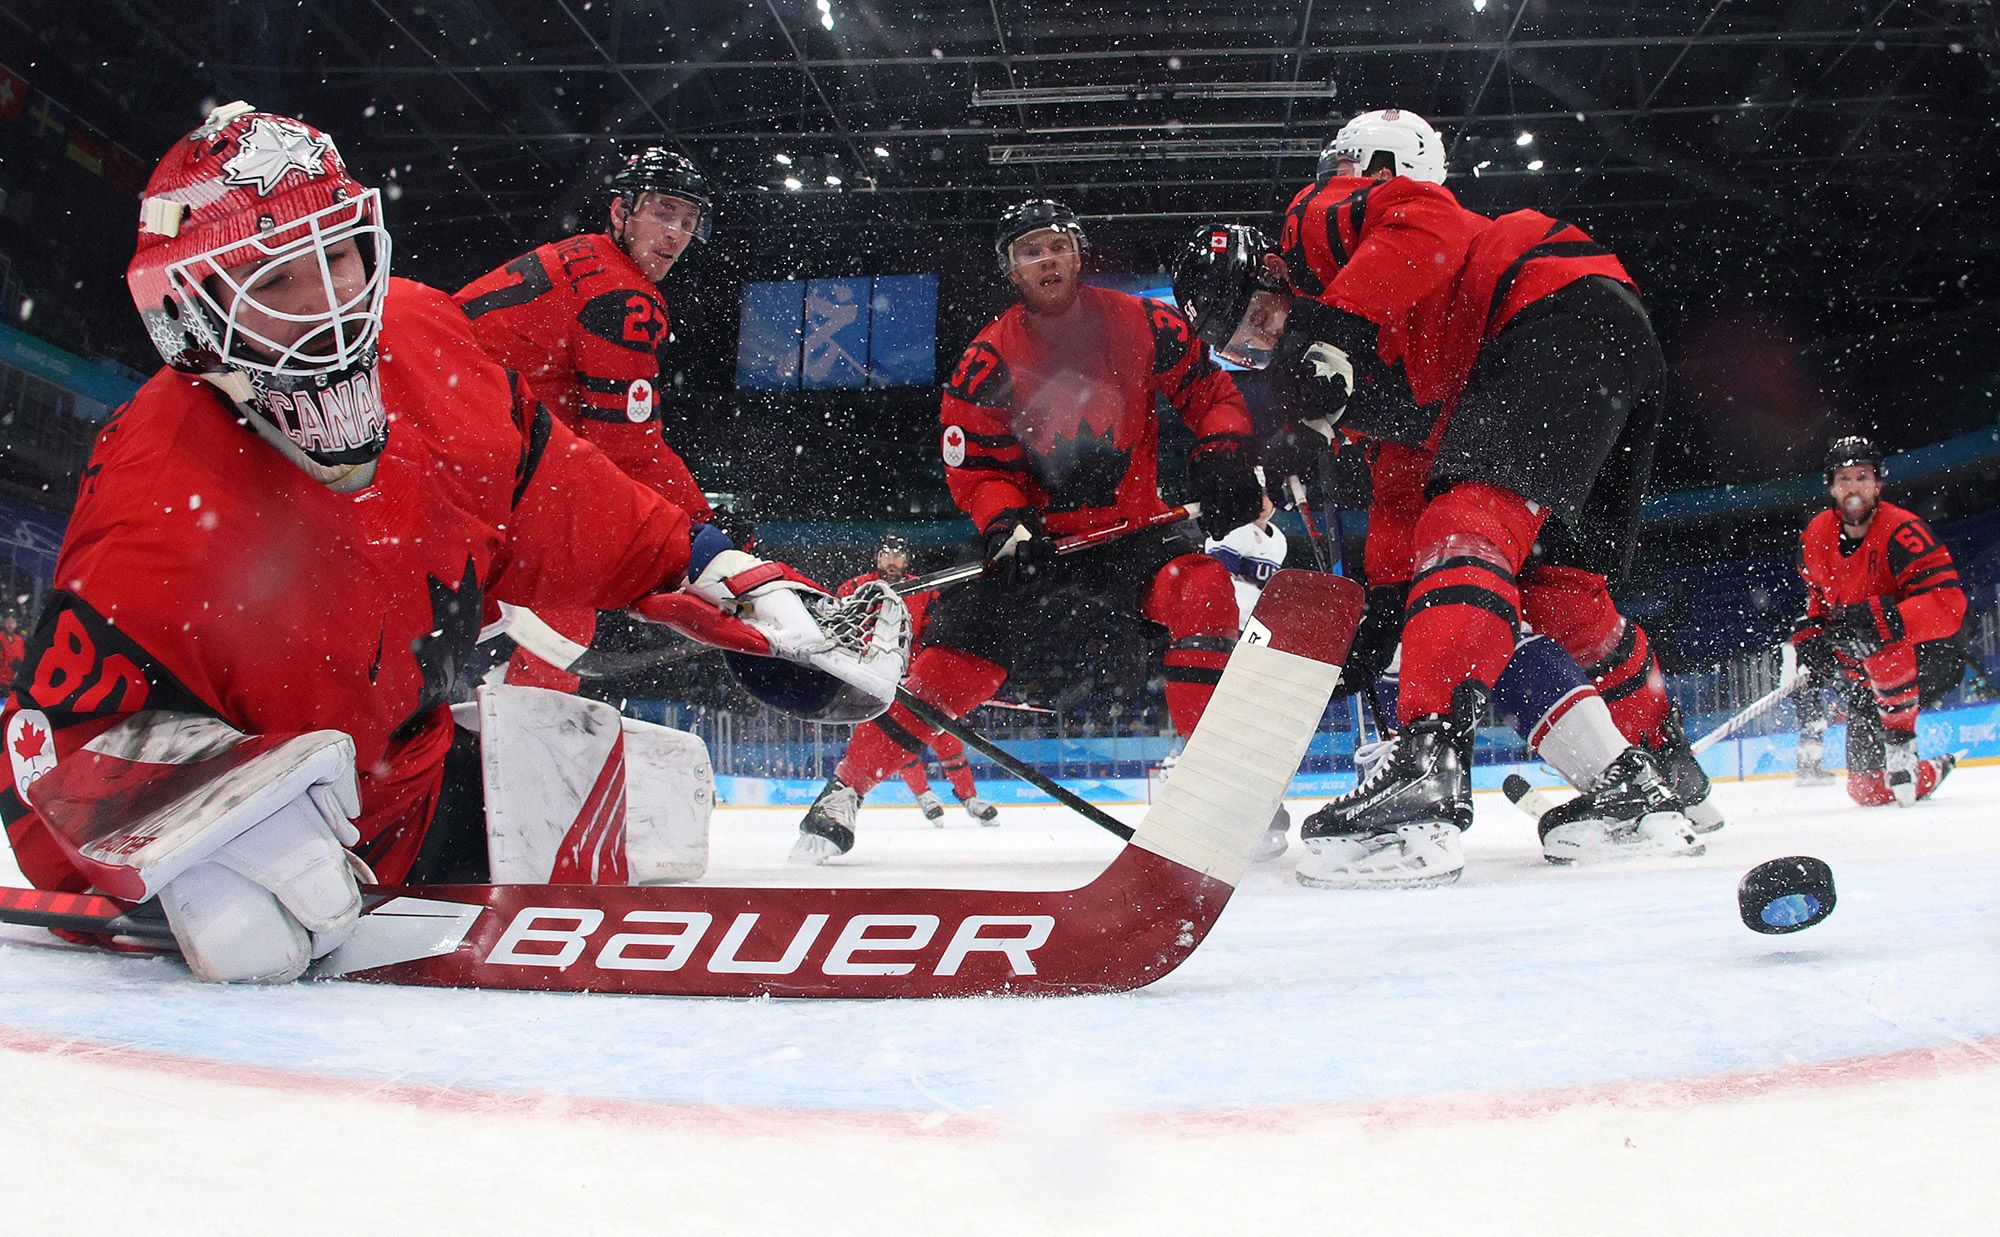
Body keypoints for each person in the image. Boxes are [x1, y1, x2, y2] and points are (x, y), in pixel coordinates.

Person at [0, 104, 877, 984]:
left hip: (401, 784)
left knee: (654, 803)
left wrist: (729, 575)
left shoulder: (420, 338)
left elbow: (568, 497)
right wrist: (188, 822)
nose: (330, 306)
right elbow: (41, 751)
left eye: (336, 255)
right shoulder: (153, 484)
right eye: (274, 283)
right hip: (285, 810)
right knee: (270, 916)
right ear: (190, 313)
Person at [1174, 141, 1713, 886]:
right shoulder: (1356, 393)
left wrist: (1329, 334)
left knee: (1467, 528)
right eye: (1241, 346)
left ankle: (1425, 771)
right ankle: (1651, 773)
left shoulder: (1312, 225)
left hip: (1548, 307)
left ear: (1269, 271)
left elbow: (1430, 221)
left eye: (1258, 314)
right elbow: (1404, 500)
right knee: (1560, 591)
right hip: (1604, 346)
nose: (1264, 340)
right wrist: (1388, 610)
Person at [788, 198, 1264, 863]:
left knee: (1204, 587)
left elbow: (1210, 392)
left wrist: (1223, 450)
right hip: (1034, 544)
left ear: (1078, 253)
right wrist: (1004, 521)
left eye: (1057, 245)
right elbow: (976, 466)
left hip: (1134, 531)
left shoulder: (1144, 322)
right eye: (1030, 250)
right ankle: (844, 790)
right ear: (1011, 269)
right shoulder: (986, 360)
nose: (1047, 258)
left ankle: (1221, 789)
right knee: (951, 673)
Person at [454, 147, 718, 692]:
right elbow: (625, 451)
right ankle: (523, 737)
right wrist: (704, 533)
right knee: (567, 593)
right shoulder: (625, 295)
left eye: (688, 222)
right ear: (621, 211)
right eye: (664, 211)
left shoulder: (582, 259)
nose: (675, 234)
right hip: (460, 446)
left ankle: (472, 709)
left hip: (434, 431)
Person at [1791, 436, 1965, 806]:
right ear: (1832, 487)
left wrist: (1888, 620)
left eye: (1862, 477)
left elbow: (1949, 605)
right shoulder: (1816, 536)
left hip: (1930, 653)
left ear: (1878, 484)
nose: (1853, 487)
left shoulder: (1904, 531)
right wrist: (1813, 634)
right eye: (1844, 479)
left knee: (1882, 642)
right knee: (1867, 790)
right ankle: (1932, 770)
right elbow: (1820, 600)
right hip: (1868, 674)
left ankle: (1902, 741)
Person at [834, 534, 998, 825]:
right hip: (870, 677)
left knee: (945, 737)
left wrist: (924, 666)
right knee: (893, 740)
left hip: (912, 677)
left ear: (907, 560)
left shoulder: (924, 588)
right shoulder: (856, 587)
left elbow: (933, 630)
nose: (892, 561)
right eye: (886, 554)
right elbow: (840, 624)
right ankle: (924, 796)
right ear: (877, 557)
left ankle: (969, 797)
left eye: (898, 555)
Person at [0, 613, 23, 685]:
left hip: (14, 682)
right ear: (3, 622)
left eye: (13, 622)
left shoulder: (19, 640)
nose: (10, 625)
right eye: (8, 622)